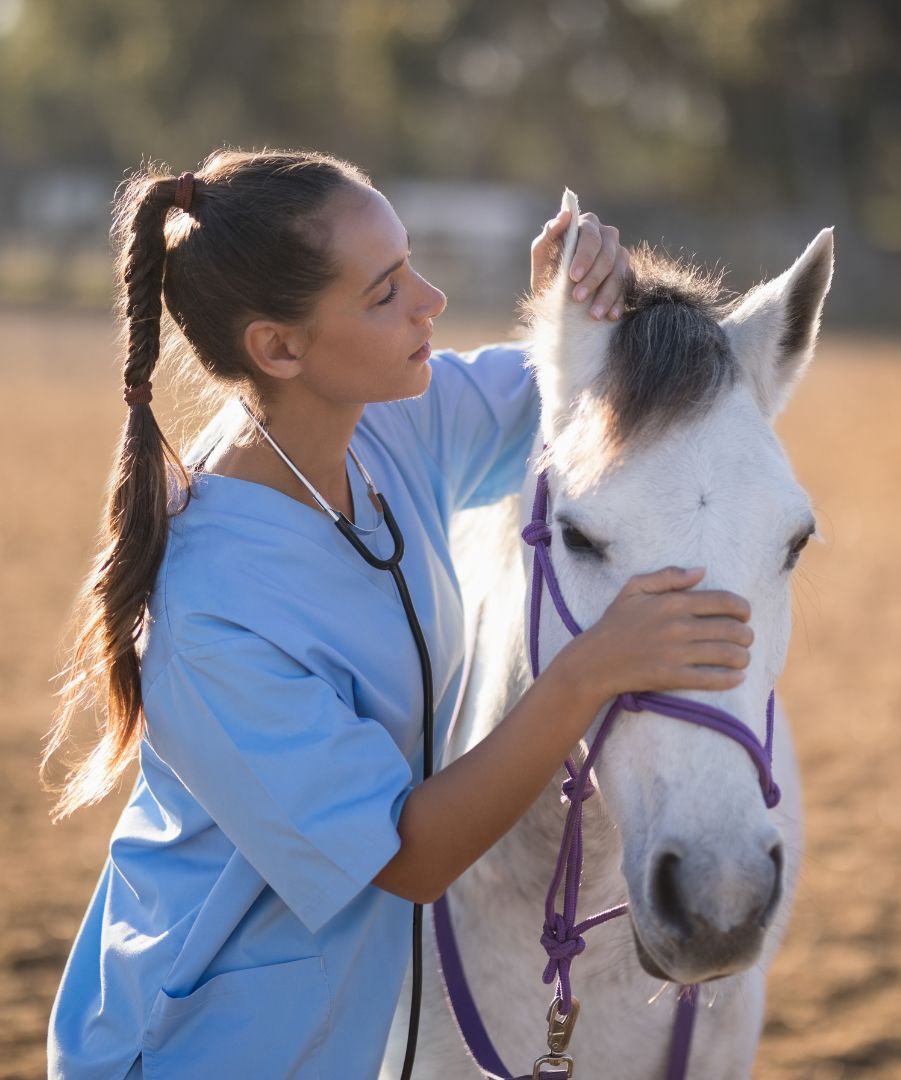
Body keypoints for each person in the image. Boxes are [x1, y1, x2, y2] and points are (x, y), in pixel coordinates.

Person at [43, 149, 755, 1079]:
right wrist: (592, 668)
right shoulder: (213, 617)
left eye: (411, 263)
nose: (433, 302)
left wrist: (569, 312)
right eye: (385, 293)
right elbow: (409, 859)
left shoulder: (380, 423)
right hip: (197, 1050)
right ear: (281, 348)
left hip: (333, 1038)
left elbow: (562, 400)